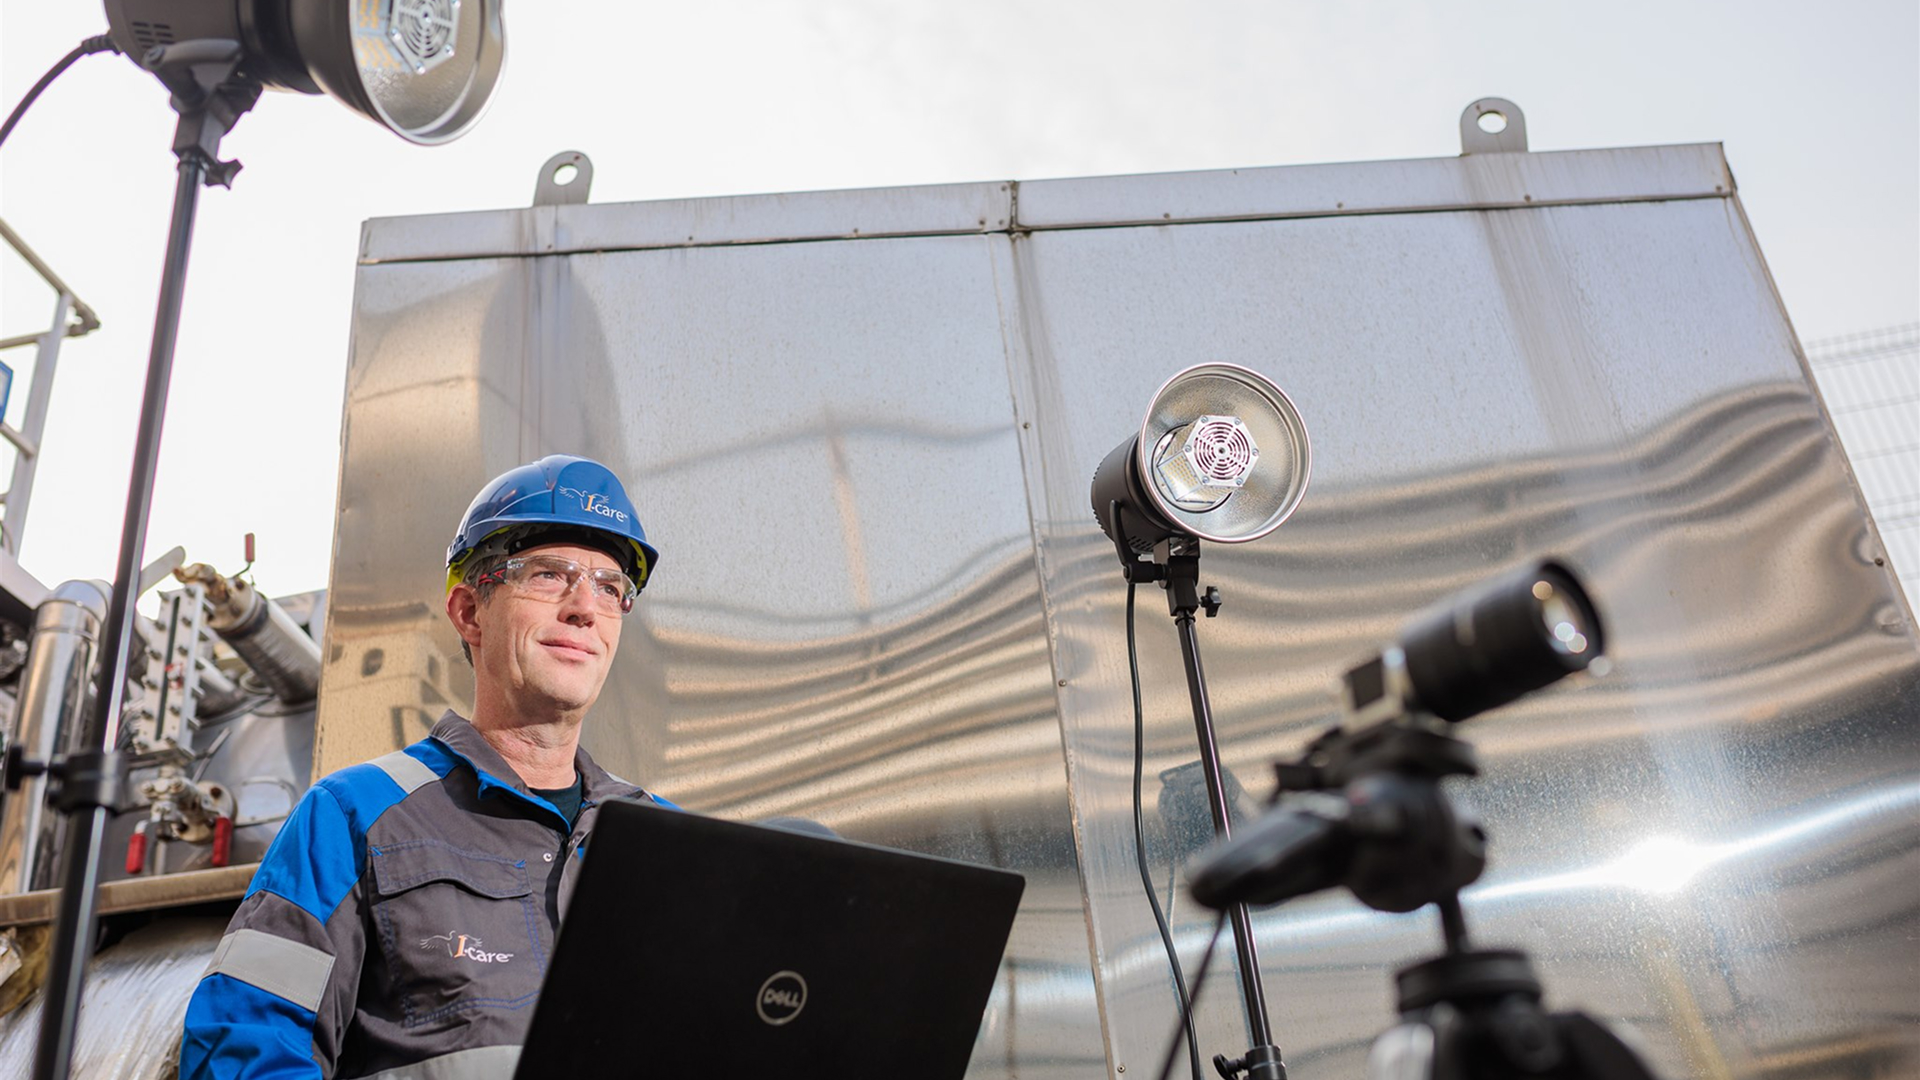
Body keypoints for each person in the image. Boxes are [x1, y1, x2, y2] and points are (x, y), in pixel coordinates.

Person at [179, 454, 674, 1079]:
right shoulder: (354, 817)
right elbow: (243, 1052)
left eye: (610, 587)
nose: (586, 607)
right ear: (470, 612)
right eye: (551, 575)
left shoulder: (671, 843)